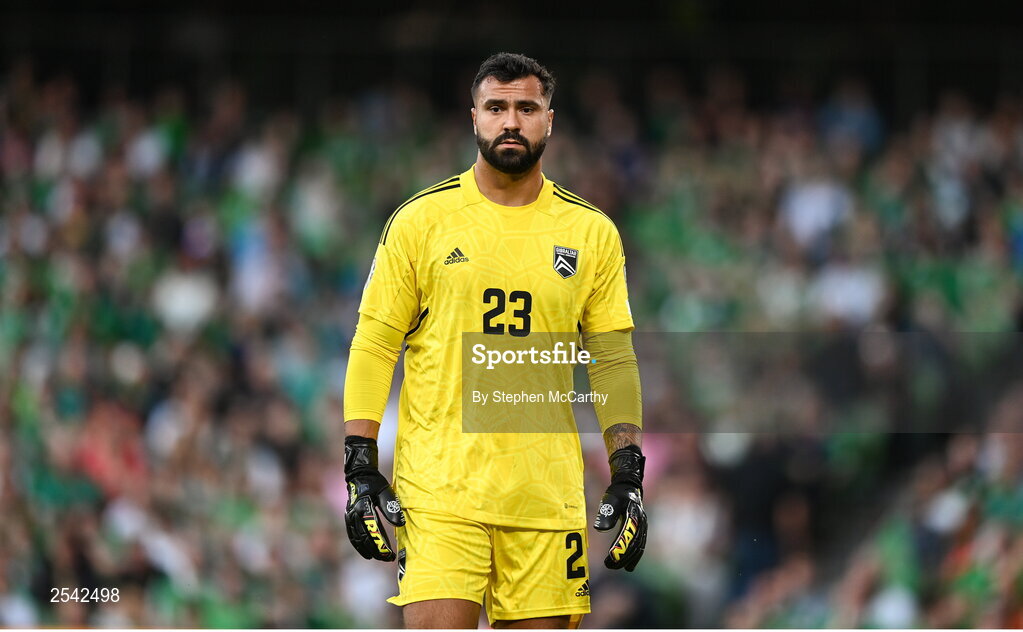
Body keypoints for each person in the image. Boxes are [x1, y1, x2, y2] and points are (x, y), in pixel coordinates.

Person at [342, 52, 646, 629]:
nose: (512, 121)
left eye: (526, 108)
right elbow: (375, 344)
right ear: (474, 117)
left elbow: (612, 359)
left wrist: (627, 471)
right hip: (441, 493)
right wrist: (359, 465)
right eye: (497, 107)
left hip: (545, 495)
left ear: (549, 120)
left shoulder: (591, 233)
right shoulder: (420, 223)